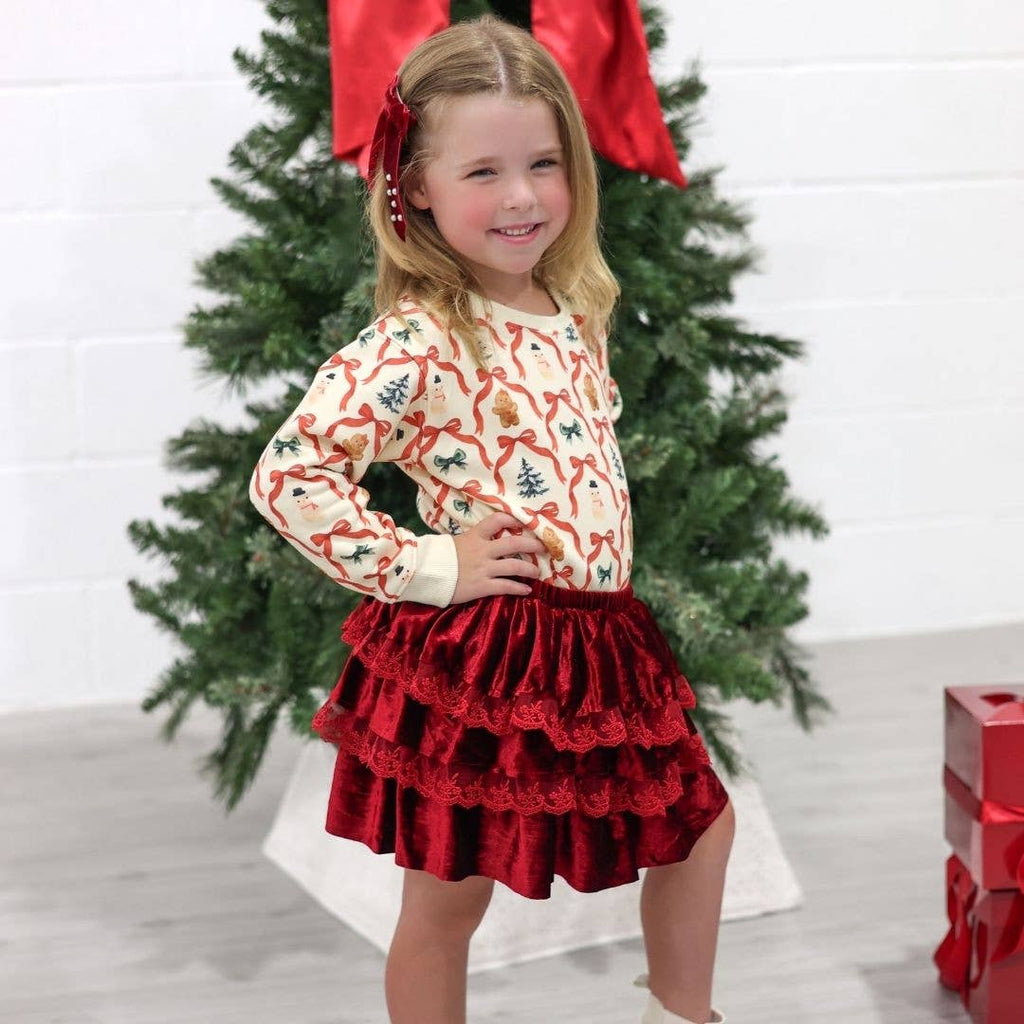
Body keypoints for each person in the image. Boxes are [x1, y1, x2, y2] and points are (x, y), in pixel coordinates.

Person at [248, 13, 734, 1024]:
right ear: (416, 186)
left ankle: (679, 1015)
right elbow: (290, 476)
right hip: (491, 651)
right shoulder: (420, 340)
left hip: (599, 643)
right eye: (482, 173)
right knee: (448, 896)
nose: (520, 197)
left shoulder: (574, 306)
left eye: (543, 164)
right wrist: (429, 565)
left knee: (699, 827)